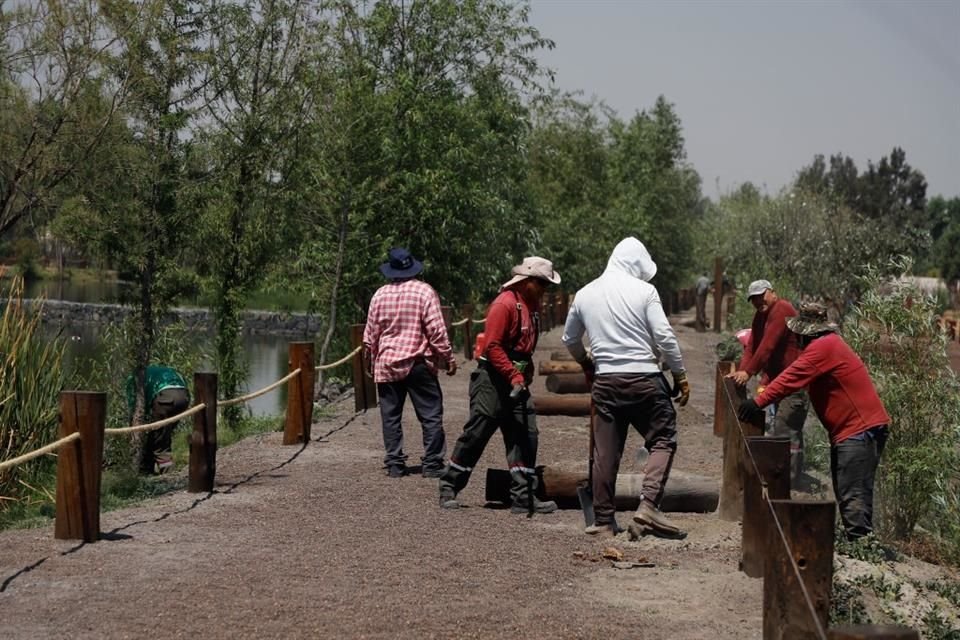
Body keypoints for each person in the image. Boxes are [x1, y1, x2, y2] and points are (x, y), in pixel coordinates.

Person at [562, 237, 690, 538]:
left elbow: (569, 339)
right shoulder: (645, 291)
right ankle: (648, 507)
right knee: (663, 437)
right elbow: (665, 337)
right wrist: (680, 375)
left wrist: (586, 364)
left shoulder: (584, 294)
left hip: (606, 382)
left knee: (605, 453)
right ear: (636, 265)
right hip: (644, 379)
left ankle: (604, 521)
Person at [738, 303, 890, 540]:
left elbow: (790, 378)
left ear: (807, 332)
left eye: (798, 335)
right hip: (854, 430)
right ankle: (859, 543)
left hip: (858, 430)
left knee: (853, 492)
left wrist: (757, 403)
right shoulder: (827, 345)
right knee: (847, 489)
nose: (796, 339)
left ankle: (862, 548)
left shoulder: (823, 348)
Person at [438, 256, 561, 514]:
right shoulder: (504, 304)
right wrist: (512, 374)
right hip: (492, 380)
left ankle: (523, 495)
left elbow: (523, 347)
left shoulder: (532, 306)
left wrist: (523, 373)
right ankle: (449, 486)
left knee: (526, 435)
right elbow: (492, 346)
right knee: (477, 433)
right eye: (542, 284)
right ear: (527, 281)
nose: (544, 290)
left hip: (516, 380)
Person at [363, 247, 458, 479]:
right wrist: (448, 357)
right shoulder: (424, 292)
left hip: (387, 363)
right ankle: (433, 463)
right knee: (430, 414)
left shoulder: (379, 294)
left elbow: (370, 335)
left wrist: (370, 359)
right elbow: (436, 330)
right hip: (418, 362)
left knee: (391, 416)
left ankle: (395, 463)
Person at [726, 279, 810, 483]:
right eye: (753, 299)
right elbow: (753, 346)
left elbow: (768, 346)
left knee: (784, 428)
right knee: (780, 427)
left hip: (794, 383)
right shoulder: (761, 315)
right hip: (778, 382)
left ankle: (788, 483)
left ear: (772, 292)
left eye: (761, 296)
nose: (757, 301)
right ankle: (783, 479)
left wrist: (749, 372)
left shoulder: (781, 309)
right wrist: (742, 371)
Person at [125, 365, 190, 475]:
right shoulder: (157, 369)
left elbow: (135, 408)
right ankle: (146, 470)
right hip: (183, 398)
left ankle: (168, 473)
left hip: (165, 399)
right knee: (159, 435)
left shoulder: (132, 378)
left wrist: (134, 427)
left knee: (159, 442)